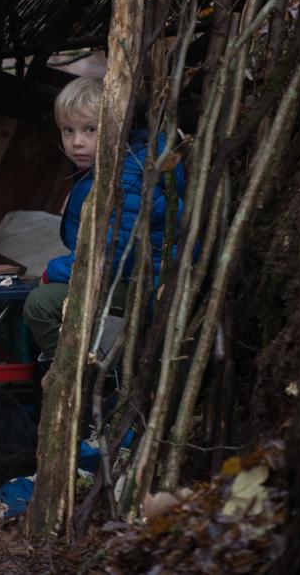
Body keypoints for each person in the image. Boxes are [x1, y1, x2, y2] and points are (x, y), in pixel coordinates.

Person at [23, 76, 185, 367]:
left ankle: (79, 371)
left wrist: (52, 271)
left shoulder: (128, 178)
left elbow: (109, 254)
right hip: (125, 277)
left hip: (147, 285)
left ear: (116, 128)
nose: (77, 142)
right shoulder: (104, 172)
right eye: (68, 130)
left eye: (90, 129)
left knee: (40, 303)